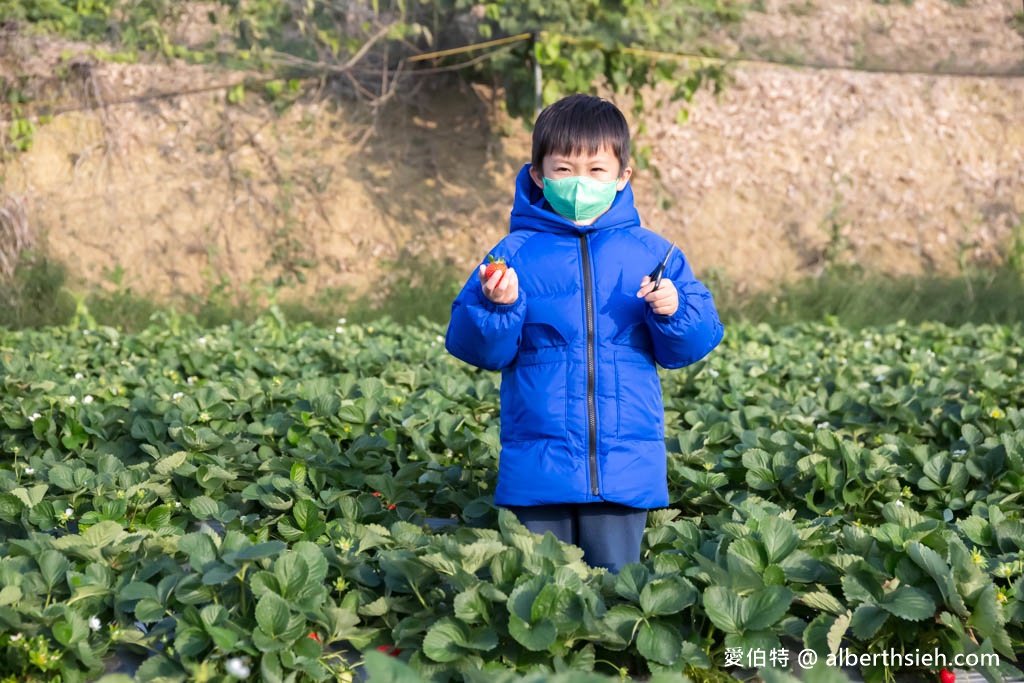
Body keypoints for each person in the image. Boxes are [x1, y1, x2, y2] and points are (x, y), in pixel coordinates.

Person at [444, 93, 723, 573]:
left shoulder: (650, 252)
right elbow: (474, 346)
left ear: (622, 177)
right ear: (538, 174)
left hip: (624, 467)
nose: (580, 184)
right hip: (539, 466)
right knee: (540, 594)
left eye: (596, 171)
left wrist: (673, 309)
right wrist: (499, 307)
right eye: (564, 170)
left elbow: (693, 342)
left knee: (615, 597)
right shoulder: (513, 253)